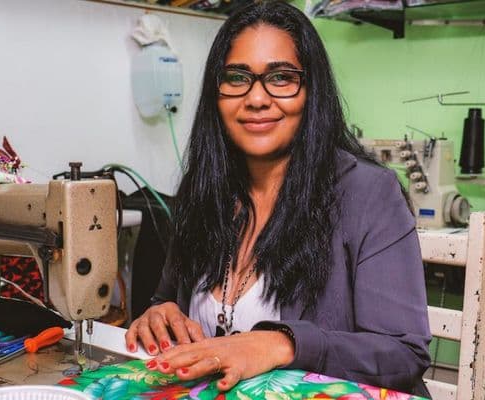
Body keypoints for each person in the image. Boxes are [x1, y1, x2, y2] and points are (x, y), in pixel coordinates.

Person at [123, 1, 431, 396]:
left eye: (281, 78)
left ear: (312, 91)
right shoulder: (203, 190)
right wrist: (160, 314)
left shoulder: (369, 194)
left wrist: (282, 344)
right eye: (237, 77)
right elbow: (168, 300)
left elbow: (402, 353)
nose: (256, 98)